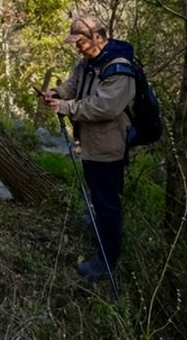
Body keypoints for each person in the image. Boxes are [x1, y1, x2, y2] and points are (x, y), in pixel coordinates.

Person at [41, 14, 136, 280]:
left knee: (108, 203)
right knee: (98, 192)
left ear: (97, 37)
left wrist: (67, 107)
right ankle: (101, 228)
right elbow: (73, 86)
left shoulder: (119, 67)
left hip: (109, 146)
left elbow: (107, 106)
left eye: (80, 41)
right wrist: (57, 94)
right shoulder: (88, 63)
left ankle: (107, 260)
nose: (77, 47)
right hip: (91, 143)